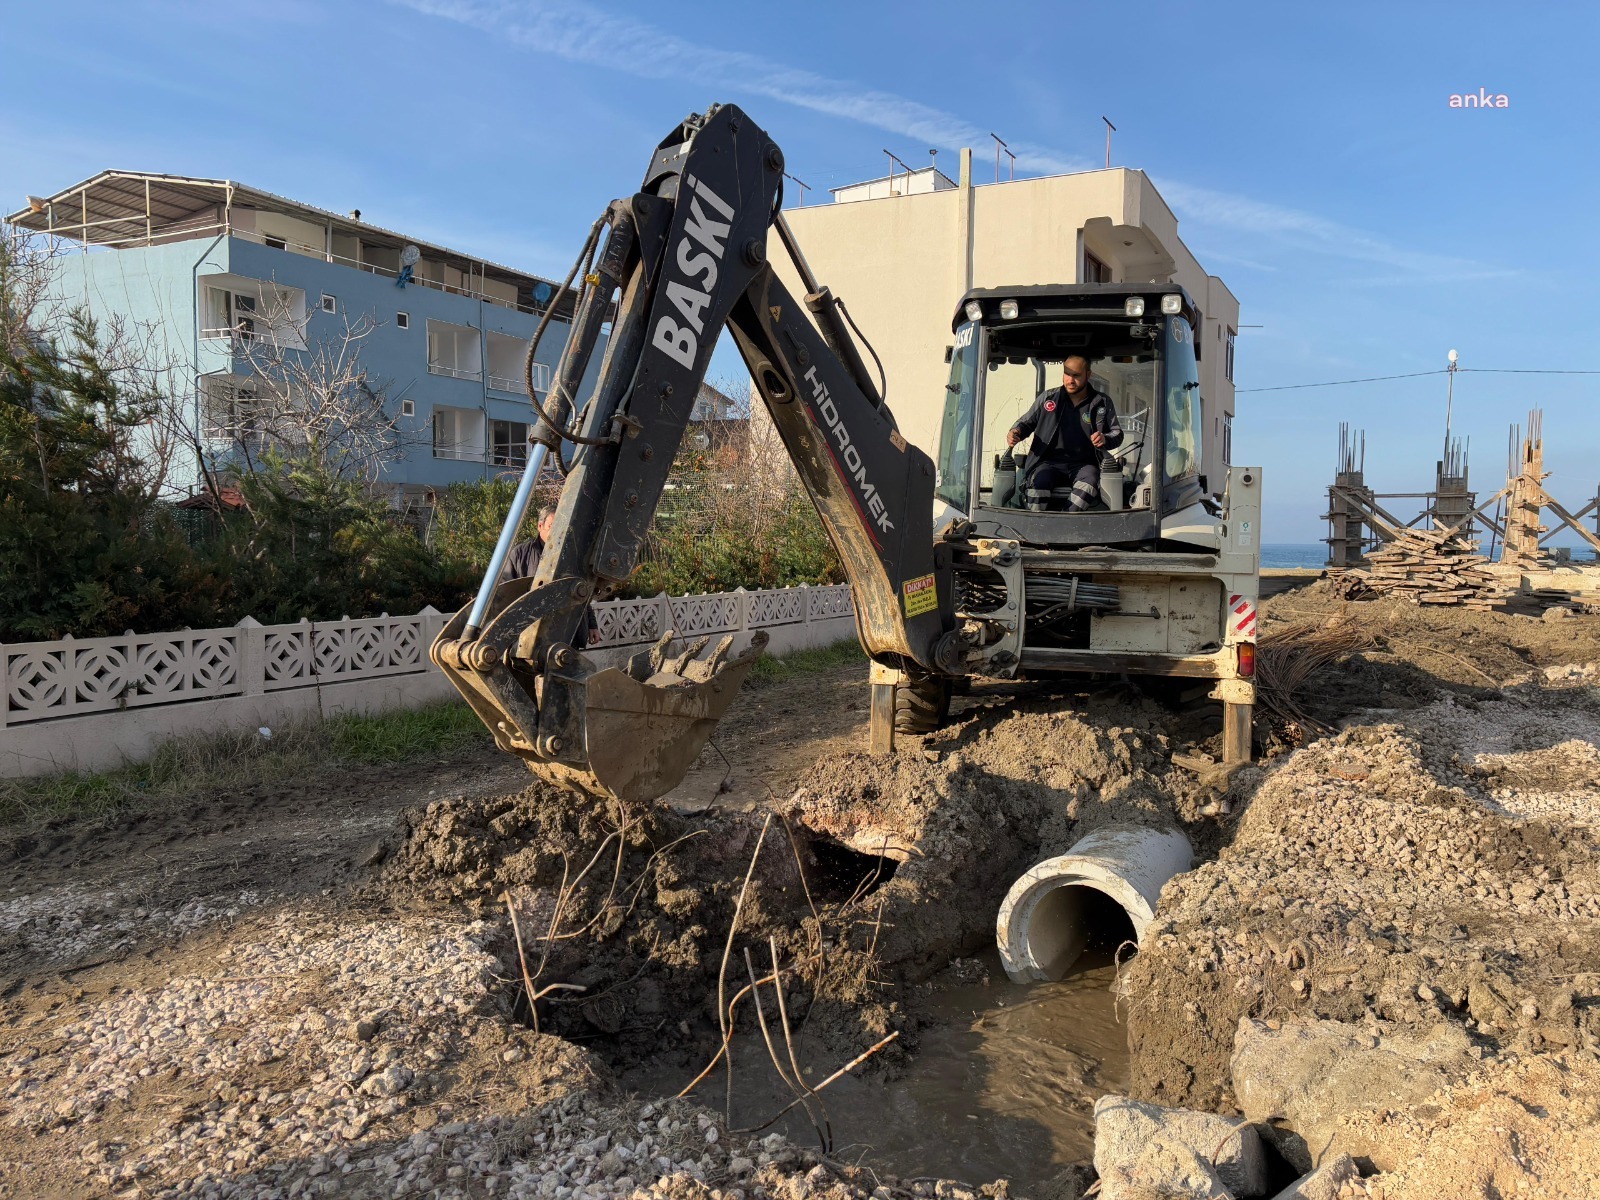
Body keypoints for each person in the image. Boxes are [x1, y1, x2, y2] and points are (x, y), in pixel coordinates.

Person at [1006, 355, 1123, 511]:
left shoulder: (1102, 402)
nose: (1070, 380)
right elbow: (1025, 423)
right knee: (1038, 483)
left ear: (1088, 374)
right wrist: (1016, 432)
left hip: (1085, 465)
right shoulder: (1047, 398)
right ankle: (1036, 524)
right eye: (1067, 374)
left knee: (1089, 482)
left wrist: (1105, 438)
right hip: (1047, 463)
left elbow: (1117, 433)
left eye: (1076, 375)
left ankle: (1067, 519)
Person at [505, 506, 600, 645]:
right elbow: (508, 593)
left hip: (568, 631)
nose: (558, 532)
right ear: (540, 526)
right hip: (531, 633)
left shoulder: (574, 555)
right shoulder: (519, 554)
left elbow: (582, 591)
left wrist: (592, 624)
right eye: (552, 526)